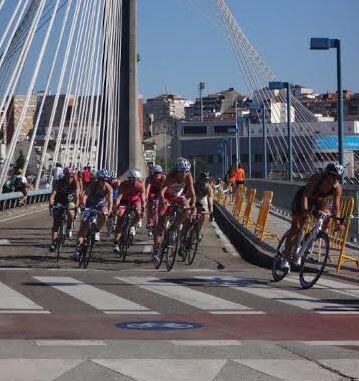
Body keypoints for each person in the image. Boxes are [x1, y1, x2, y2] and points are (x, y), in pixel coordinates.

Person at [281, 162, 344, 272]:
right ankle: (285, 258)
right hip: (303, 198)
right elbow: (305, 196)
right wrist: (305, 211)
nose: (335, 179)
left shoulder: (337, 188)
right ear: (326, 174)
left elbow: (336, 208)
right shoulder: (317, 178)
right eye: (333, 176)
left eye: (338, 177)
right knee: (297, 227)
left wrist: (338, 223)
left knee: (327, 218)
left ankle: (307, 240)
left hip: (318, 201)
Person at [153, 157, 196, 256]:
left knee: (187, 207)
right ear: (177, 170)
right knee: (161, 223)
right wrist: (163, 200)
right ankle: (156, 249)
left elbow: (193, 193)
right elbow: (162, 191)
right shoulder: (171, 175)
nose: (183, 174)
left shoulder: (188, 176)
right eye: (181, 171)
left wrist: (193, 205)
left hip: (177, 196)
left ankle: (176, 225)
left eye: (186, 171)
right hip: (167, 196)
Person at [73, 169, 113, 260]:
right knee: (83, 225)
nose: (104, 182)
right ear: (98, 179)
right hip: (89, 203)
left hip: (100, 204)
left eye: (106, 180)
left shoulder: (109, 188)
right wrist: (83, 205)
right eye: (102, 179)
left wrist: (110, 211)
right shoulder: (93, 185)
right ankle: (77, 250)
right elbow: (85, 195)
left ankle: (97, 230)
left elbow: (110, 201)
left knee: (104, 213)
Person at [113, 169, 145, 253]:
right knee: (120, 217)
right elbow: (119, 197)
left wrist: (143, 208)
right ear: (129, 179)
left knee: (138, 213)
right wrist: (116, 207)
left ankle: (132, 226)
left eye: (136, 179)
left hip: (135, 201)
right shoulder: (124, 184)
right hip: (124, 201)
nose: (134, 181)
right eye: (133, 179)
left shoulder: (140, 185)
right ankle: (116, 243)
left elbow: (142, 198)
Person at [48, 166, 80, 252]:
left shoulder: (76, 182)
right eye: (68, 176)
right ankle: (53, 243)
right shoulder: (59, 182)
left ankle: (68, 227)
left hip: (70, 200)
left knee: (70, 212)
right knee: (56, 223)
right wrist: (51, 205)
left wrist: (76, 206)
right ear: (65, 175)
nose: (70, 178)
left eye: (72, 176)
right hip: (59, 201)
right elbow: (52, 195)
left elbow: (77, 196)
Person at [145, 164, 166, 237]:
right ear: (153, 173)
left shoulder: (163, 178)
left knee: (163, 206)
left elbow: (163, 189)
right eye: (156, 173)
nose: (158, 174)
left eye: (159, 173)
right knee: (150, 207)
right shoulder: (149, 179)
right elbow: (147, 188)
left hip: (161, 192)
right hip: (153, 192)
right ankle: (149, 223)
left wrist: (162, 198)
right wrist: (146, 197)